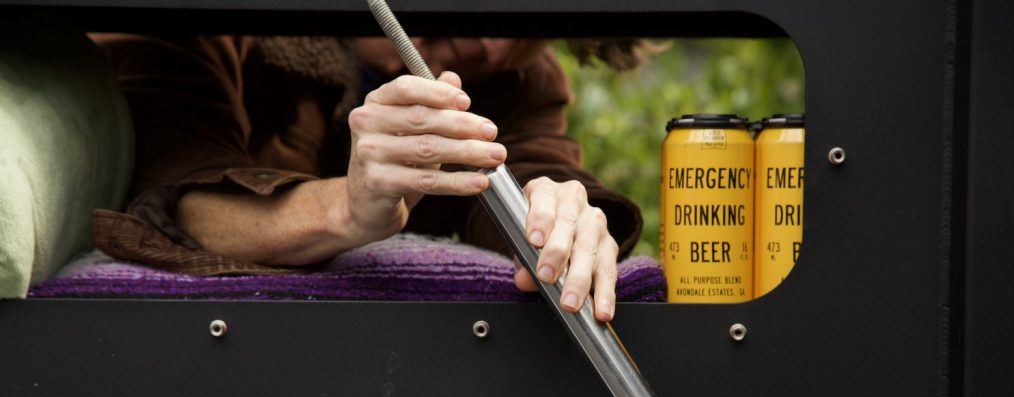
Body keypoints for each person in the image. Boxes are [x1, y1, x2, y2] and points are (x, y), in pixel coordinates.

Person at [89, 35, 645, 321]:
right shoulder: (213, 30)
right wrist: (347, 208)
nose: (494, 45)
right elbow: (173, 188)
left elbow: (534, 161)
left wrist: (561, 211)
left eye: (534, 28)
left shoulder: (521, 78)